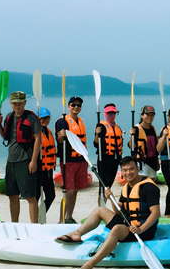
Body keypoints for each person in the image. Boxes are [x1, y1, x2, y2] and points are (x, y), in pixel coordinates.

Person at [55, 156, 161, 269]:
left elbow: (156, 213)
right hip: (128, 224)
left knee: (116, 229)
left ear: (137, 169)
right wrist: (111, 198)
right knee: (100, 210)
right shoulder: (127, 187)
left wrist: (140, 229)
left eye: (131, 169)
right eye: (125, 170)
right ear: (121, 172)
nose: (128, 173)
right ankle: (76, 234)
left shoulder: (149, 187)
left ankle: (89, 265)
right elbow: (118, 212)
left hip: (143, 231)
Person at [0, 91, 41, 223]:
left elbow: (38, 139)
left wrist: (33, 160)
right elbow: (6, 137)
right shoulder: (9, 117)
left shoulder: (31, 117)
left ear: (25, 102)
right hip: (11, 161)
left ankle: (34, 225)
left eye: (20, 103)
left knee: (30, 196)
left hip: (25, 160)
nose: (17, 106)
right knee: (12, 195)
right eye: (14, 103)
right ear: (11, 104)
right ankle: (14, 223)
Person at [55, 96, 88, 224]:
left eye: (79, 105)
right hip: (68, 160)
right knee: (69, 191)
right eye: (73, 105)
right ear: (68, 106)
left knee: (75, 191)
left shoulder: (81, 121)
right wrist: (61, 135)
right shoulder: (62, 121)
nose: (76, 107)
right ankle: (61, 219)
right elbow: (59, 140)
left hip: (81, 160)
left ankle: (69, 216)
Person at [94, 103, 123, 191]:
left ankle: (105, 198)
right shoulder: (101, 126)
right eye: (108, 113)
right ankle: (102, 199)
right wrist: (97, 134)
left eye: (113, 113)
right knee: (103, 186)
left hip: (115, 159)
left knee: (110, 184)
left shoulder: (118, 127)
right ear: (104, 113)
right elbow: (95, 144)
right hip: (104, 159)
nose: (111, 115)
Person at [129, 105, 160, 178]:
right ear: (142, 116)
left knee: (152, 182)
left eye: (152, 115)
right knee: (143, 182)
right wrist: (131, 136)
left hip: (152, 161)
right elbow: (132, 146)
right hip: (141, 162)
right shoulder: (136, 129)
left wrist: (157, 162)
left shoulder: (152, 128)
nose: (150, 117)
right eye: (147, 114)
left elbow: (155, 147)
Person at [38, 108, 56, 223]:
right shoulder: (35, 132)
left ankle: (41, 215)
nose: (44, 120)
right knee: (36, 197)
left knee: (51, 196)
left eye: (47, 118)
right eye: (42, 118)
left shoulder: (48, 131)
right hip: (39, 170)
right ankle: (35, 219)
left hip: (48, 170)